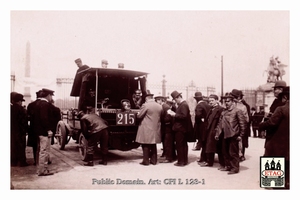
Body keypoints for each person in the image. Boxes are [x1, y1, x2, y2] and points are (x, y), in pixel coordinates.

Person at [259, 86, 289, 189]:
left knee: (273, 156)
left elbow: (272, 122)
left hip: (278, 140)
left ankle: (273, 183)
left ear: (285, 97)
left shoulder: (282, 108)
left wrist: (261, 125)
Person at [215, 93, 246, 174]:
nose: (226, 103)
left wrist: (241, 135)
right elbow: (219, 123)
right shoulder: (223, 112)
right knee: (225, 151)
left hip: (233, 135)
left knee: (233, 153)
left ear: (232, 102)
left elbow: (242, 124)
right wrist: (217, 134)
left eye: (228, 101)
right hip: (224, 135)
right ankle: (228, 166)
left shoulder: (237, 111)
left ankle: (235, 168)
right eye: (225, 101)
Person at [135, 93, 162, 166]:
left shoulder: (145, 105)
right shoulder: (159, 106)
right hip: (156, 128)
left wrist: (138, 114)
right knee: (153, 144)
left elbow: (140, 116)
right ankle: (154, 160)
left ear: (147, 98)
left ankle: (146, 161)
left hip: (146, 128)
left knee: (145, 144)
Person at [33, 88, 55, 176]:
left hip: (38, 131)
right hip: (44, 132)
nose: (51, 98)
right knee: (44, 151)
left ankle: (39, 169)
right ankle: (43, 171)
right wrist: (48, 129)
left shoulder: (37, 104)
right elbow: (44, 118)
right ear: (48, 95)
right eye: (51, 96)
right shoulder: (45, 105)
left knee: (40, 151)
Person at [168, 90, 192, 167]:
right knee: (183, 145)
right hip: (182, 128)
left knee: (180, 145)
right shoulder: (183, 104)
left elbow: (184, 116)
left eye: (175, 100)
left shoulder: (183, 105)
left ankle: (181, 161)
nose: (175, 102)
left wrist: (174, 115)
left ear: (178, 97)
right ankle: (184, 160)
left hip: (180, 128)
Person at [200, 94, 224, 167]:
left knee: (216, 147)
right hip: (208, 130)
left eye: (212, 101)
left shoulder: (220, 109)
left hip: (214, 131)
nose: (210, 102)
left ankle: (221, 164)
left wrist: (216, 130)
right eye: (209, 101)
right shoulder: (210, 109)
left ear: (217, 100)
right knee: (209, 146)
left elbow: (221, 121)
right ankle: (209, 162)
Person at [264, 80, 286, 148]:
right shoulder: (276, 101)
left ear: (281, 90)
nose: (274, 91)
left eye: (276, 89)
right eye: (275, 89)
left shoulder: (283, 103)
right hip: (271, 133)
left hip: (277, 134)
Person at [229, 89, 249, 161]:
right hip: (237, 128)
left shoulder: (228, 105)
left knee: (235, 143)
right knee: (238, 143)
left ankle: (236, 158)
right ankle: (238, 156)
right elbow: (246, 119)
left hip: (233, 128)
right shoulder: (242, 106)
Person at [11, 92, 28, 167]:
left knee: (12, 146)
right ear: (19, 101)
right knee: (21, 146)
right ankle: (22, 162)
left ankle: (13, 162)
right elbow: (24, 122)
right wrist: (25, 130)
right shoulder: (21, 110)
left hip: (11, 131)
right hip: (20, 131)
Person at [193, 92, 210, 166]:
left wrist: (199, 120)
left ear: (196, 99)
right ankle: (203, 158)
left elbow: (198, 115)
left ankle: (203, 158)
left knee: (202, 142)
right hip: (207, 126)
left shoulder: (199, 105)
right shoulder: (207, 105)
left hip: (201, 127)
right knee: (205, 142)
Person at [27, 90, 43, 165]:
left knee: (34, 145)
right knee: (42, 145)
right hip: (42, 128)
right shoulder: (44, 104)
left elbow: (28, 117)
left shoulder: (30, 105)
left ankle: (35, 160)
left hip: (33, 128)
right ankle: (41, 161)